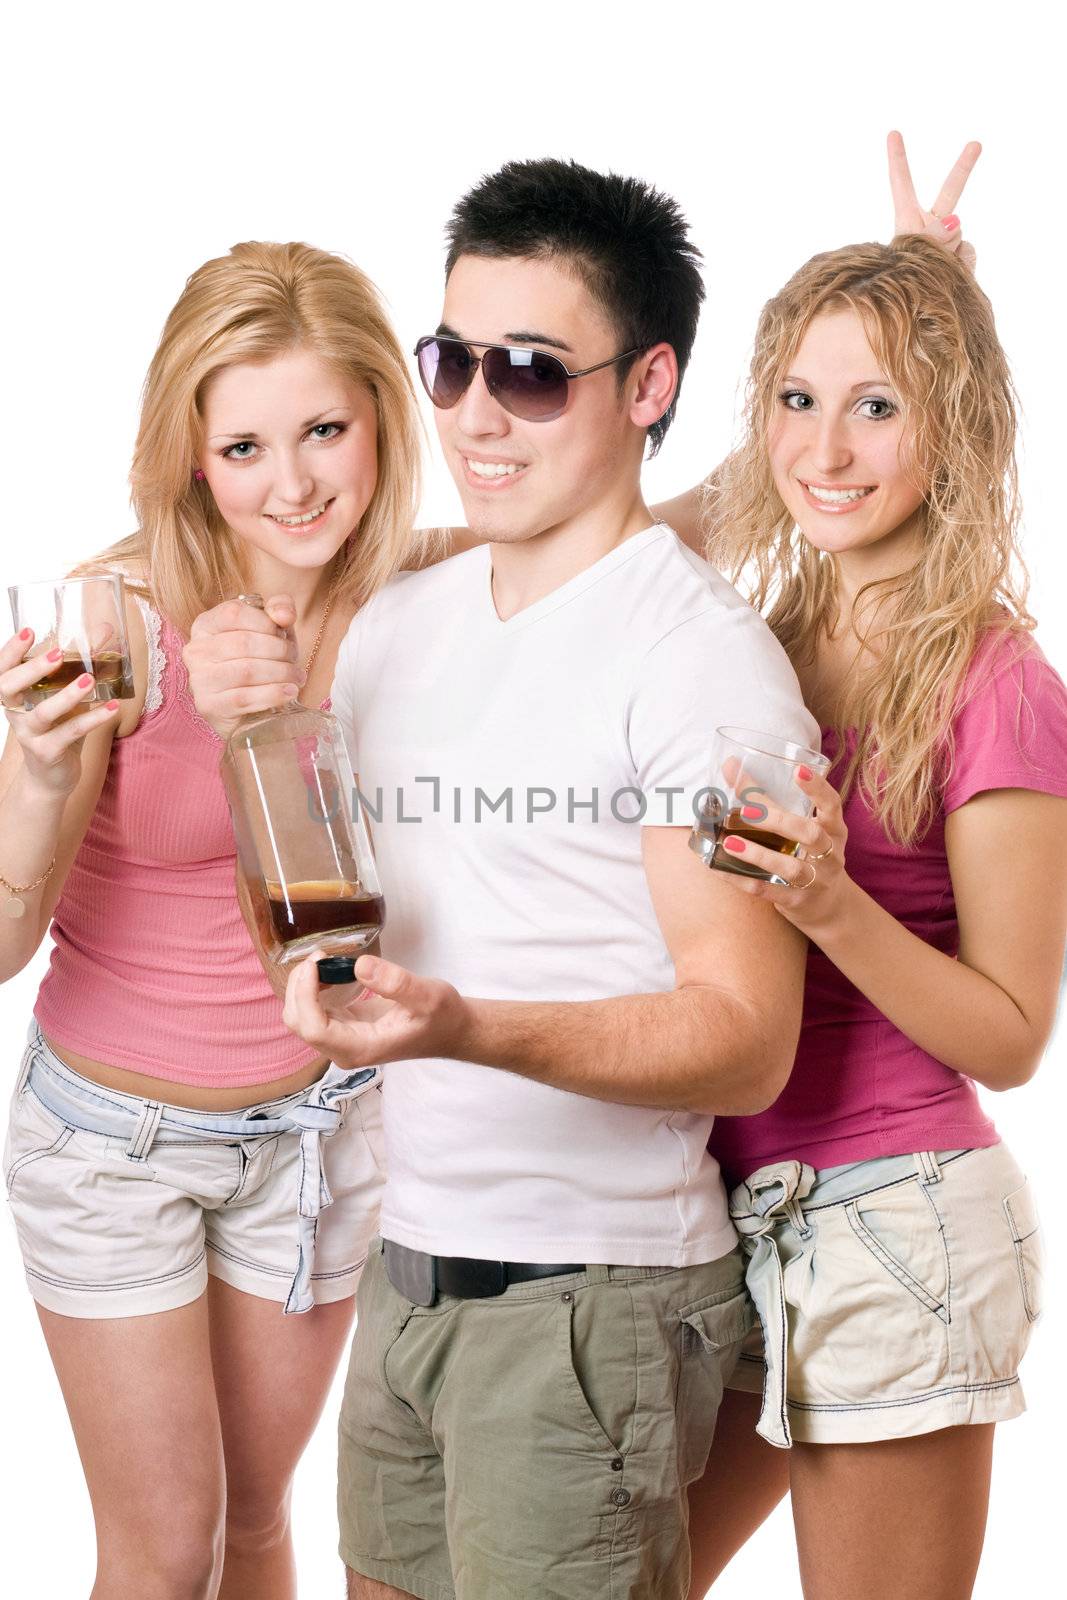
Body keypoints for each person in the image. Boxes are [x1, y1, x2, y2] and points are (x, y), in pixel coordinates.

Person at [275, 157, 819, 1600]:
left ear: (647, 385)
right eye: (449, 361)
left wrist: (466, 1025)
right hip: (409, 1276)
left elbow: (749, 1035)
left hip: (594, 1304)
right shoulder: (401, 624)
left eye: (528, 371)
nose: (471, 413)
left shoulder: (700, 665)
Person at [0, 241, 431, 1600]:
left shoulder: (428, 599)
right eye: (243, 444)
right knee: (162, 1547)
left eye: (323, 430)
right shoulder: (114, 619)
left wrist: (900, 315)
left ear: (378, 421)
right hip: (113, 1146)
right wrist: (41, 769)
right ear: (191, 450)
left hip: (313, 1132)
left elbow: (648, 528)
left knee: (253, 1523)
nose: (291, 482)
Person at [682, 139, 1067, 1600]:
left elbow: (1014, 1034)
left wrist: (832, 904)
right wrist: (915, 300)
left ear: (952, 432)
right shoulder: (759, 645)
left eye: (877, 408)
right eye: (798, 401)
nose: (826, 452)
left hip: (896, 1219)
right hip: (723, 1213)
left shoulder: (997, 685)